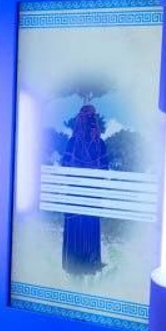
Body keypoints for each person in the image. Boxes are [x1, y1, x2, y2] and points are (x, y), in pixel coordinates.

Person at [61, 103, 109, 276]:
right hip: (84, 197)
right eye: (88, 118)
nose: (89, 122)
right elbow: (103, 169)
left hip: (81, 197)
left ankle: (78, 265)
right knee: (86, 225)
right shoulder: (93, 144)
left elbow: (65, 166)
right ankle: (85, 264)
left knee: (84, 225)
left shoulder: (74, 143)